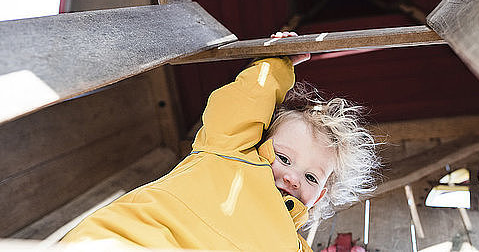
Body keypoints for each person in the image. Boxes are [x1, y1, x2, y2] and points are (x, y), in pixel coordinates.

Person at [61, 50, 380, 251]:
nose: (294, 177)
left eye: (311, 177)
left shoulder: (295, 247)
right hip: (138, 240)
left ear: (321, 196)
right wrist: (276, 62)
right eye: (283, 158)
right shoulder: (229, 152)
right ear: (257, 141)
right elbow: (244, 101)